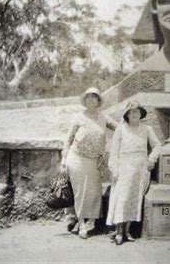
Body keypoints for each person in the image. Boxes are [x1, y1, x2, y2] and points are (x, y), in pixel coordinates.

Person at [59, 87, 117, 239]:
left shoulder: (104, 118)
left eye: (94, 97)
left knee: (93, 192)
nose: (91, 99)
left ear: (98, 101)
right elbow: (69, 138)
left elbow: (120, 128)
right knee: (80, 192)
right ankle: (81, 223)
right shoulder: (78, 117)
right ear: (85, 101)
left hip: (94, 161)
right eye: (88, 97)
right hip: (77, 158)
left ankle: (90, 221)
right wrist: (64, 159)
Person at [106, 101, 162, 245]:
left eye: (137, 111)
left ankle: (127, 231)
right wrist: (115, 169)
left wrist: (151, 160)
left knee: (134, 199)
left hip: (140, 169)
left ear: (141, 114)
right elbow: (114, 152)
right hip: (124, 168)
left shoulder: (147, 129)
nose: (134, 114)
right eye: (131, 112)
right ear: (127, 114)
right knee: (122, 199)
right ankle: (118, 231)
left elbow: (157, 146)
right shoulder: (121, 129)